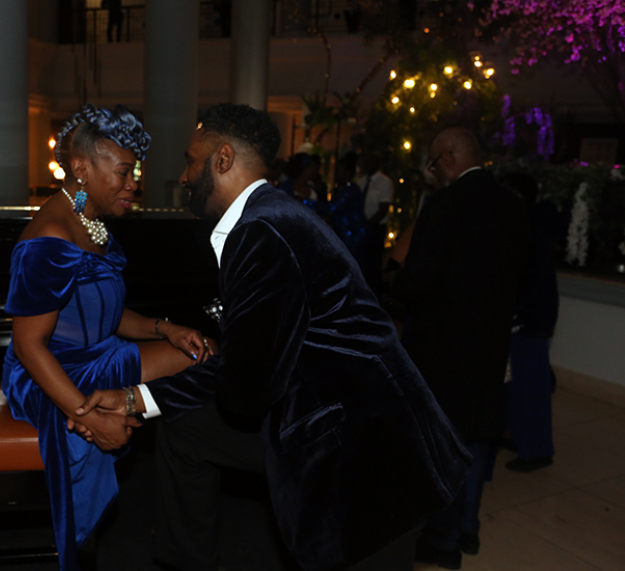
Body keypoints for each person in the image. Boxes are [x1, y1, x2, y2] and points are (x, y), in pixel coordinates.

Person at [75, 104, 472, 571]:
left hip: (367, 448)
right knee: (188, 430)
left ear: (223, 159)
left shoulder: (261, 231)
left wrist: (135, 399)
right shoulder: (271, 215)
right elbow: (253, 364)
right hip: (347, 415)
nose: (183, 176)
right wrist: (141, 398)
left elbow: (247, 388)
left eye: (191, 161)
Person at [2, 103, 216, 571]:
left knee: (202, 353)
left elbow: (109, 314)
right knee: (197, 368)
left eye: (134, 171)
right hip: (48, 370)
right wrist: (86, 415)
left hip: (96, 354)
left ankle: (182, 480)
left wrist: (165, 328)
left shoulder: (91, 222)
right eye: (123, 172)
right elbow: (28, 345)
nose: (133, 183)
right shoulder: (50, 238)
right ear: (81, 168)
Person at [391, 127, 528, 569]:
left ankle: (442, 541)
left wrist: (391, 285)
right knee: (477, 435)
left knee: (440, 441)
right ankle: (467, 527)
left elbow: (419, 278)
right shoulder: (512, 205)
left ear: (448, 158)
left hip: (442, 346)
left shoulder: (445, 205)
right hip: (490, 344)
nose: (434, 172)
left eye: (434, 163)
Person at [501, 171, 565, 472]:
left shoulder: (528, 230)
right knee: (521, 384)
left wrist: (516, 314)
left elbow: (528, 281)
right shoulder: (530, 226)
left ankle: (536, 450)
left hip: (528, 321)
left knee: (529, 387)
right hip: (530, 319)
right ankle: (522, 439)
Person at [354, 153, 393, 296]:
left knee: (373, 263)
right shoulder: (361, 182)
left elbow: (383, 209)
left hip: (375, 228)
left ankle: (374, 294)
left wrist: (368, 225)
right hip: (361, 227)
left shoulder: (385, 182)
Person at [323, 152, 368, 267]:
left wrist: (304, 201)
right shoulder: (344, 189)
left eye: (338, 171)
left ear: (346, 172)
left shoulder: (350, 191)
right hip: (345, 238)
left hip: (351, 240)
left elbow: (330, 208)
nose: (335, 174)